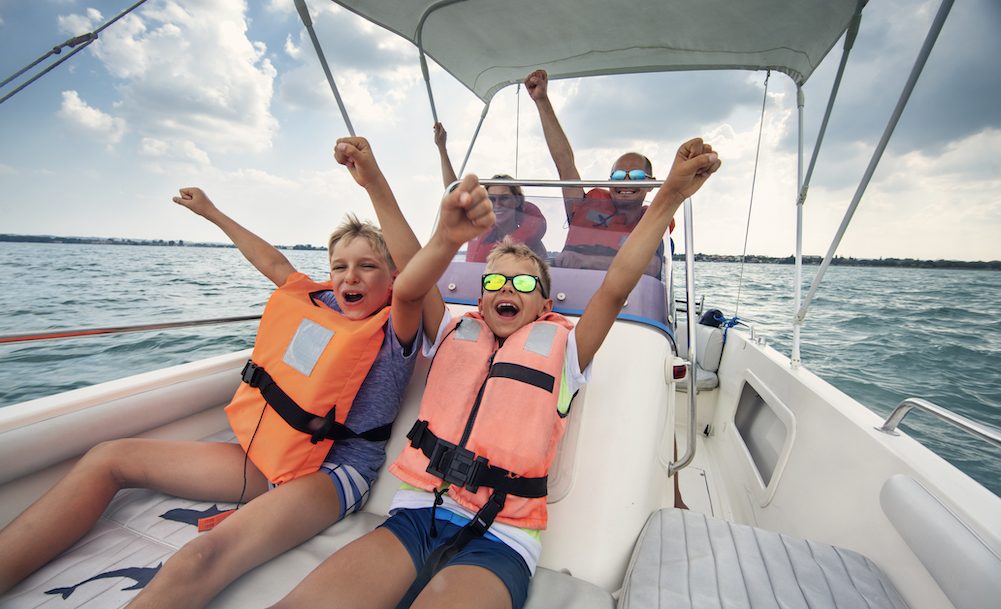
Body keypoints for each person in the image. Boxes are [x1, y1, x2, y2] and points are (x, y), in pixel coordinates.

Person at [268, 137, 720, 609]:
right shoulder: (449, 329)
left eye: (523, 282)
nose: (507, 287)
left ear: (545, 305)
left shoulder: (566, 351)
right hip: (415, 516)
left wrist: (668, 195)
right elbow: (408, 264)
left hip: (501, 538)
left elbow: (616, 285)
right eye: (494, 281)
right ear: (481, 300)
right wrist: (374, 182)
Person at [0, 141, 435, 608]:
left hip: (334, 472)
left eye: (368, 266)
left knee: (198, 557)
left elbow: (416, 276)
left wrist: (372, 181)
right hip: (275, 455)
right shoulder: (322, 303)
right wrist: (211, 212)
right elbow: (272, 262)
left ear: (391, 279)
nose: (350, 278)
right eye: (340, 267)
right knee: (108, 457)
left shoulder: (397, 325)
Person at [524, 69, 674, 277]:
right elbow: (564, 162)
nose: (626, 183)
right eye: (619, 176)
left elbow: (652, 267)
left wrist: (586, 261)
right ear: (610, 182)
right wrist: (541, 100)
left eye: (637, 176)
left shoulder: (653, 221)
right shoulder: (584, 206)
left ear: (651, 184)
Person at [434, 122, 548, 261]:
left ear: (517, 201)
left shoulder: (533, 245)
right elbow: (453, 191)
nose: (498, 204)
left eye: (504, 198)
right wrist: (442, 148)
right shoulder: (479, 226)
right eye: (492, 199)